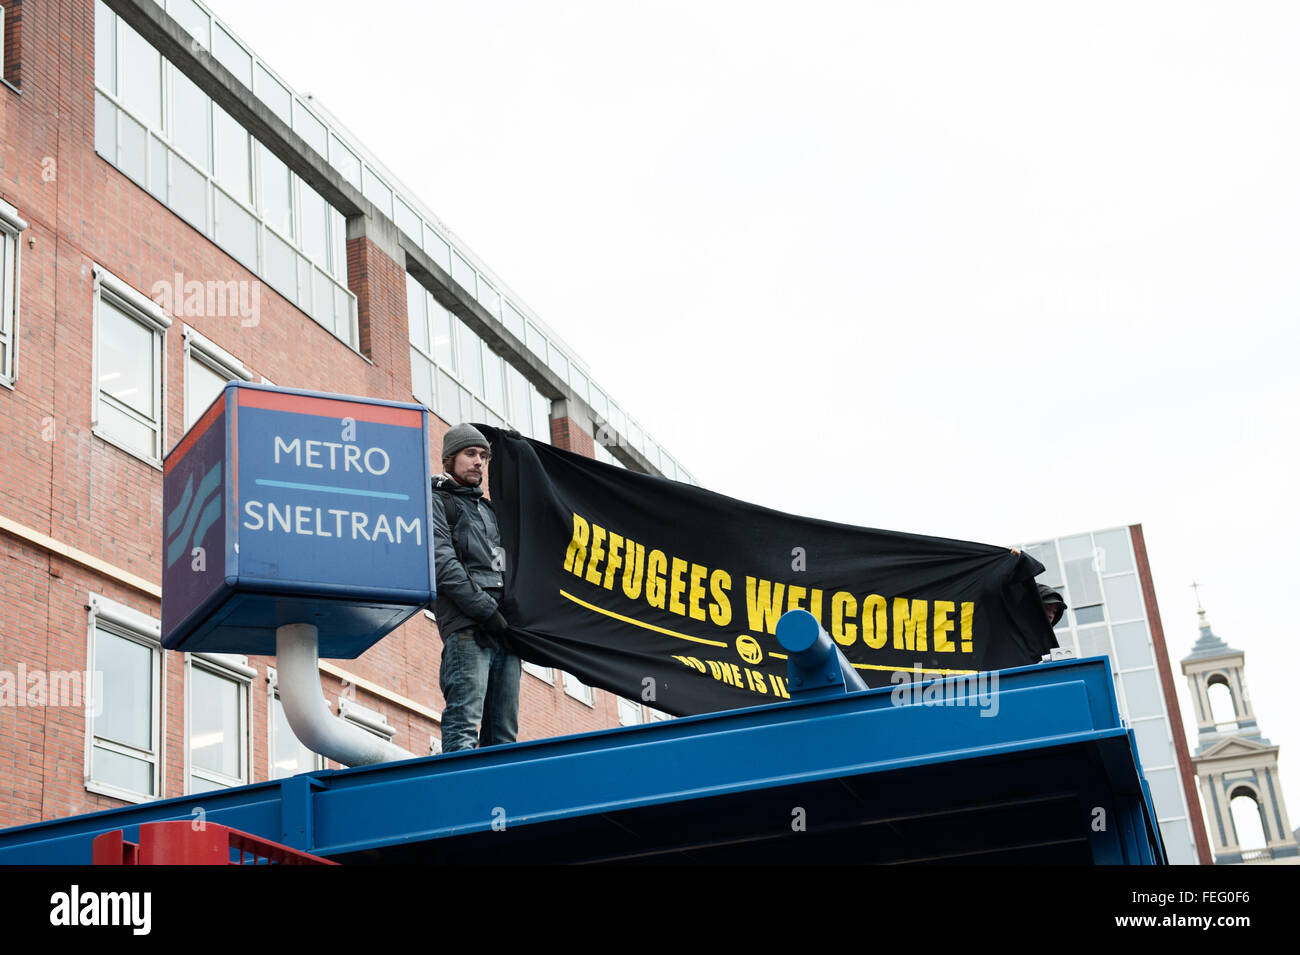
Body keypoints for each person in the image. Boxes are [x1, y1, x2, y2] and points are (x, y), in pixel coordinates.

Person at [430, 423, 519, 752]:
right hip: (467, 628)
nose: (479, 461)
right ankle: (460, 798)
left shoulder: (490, 511)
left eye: (484, 455)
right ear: (450, 459)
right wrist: (485, 611)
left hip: (503, 631)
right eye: (470, 454)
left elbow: (508, 568)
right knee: (463, 724)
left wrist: (506, 616)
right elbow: (444, 566)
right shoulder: (437, 501)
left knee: (504, 737)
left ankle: (502, 801)